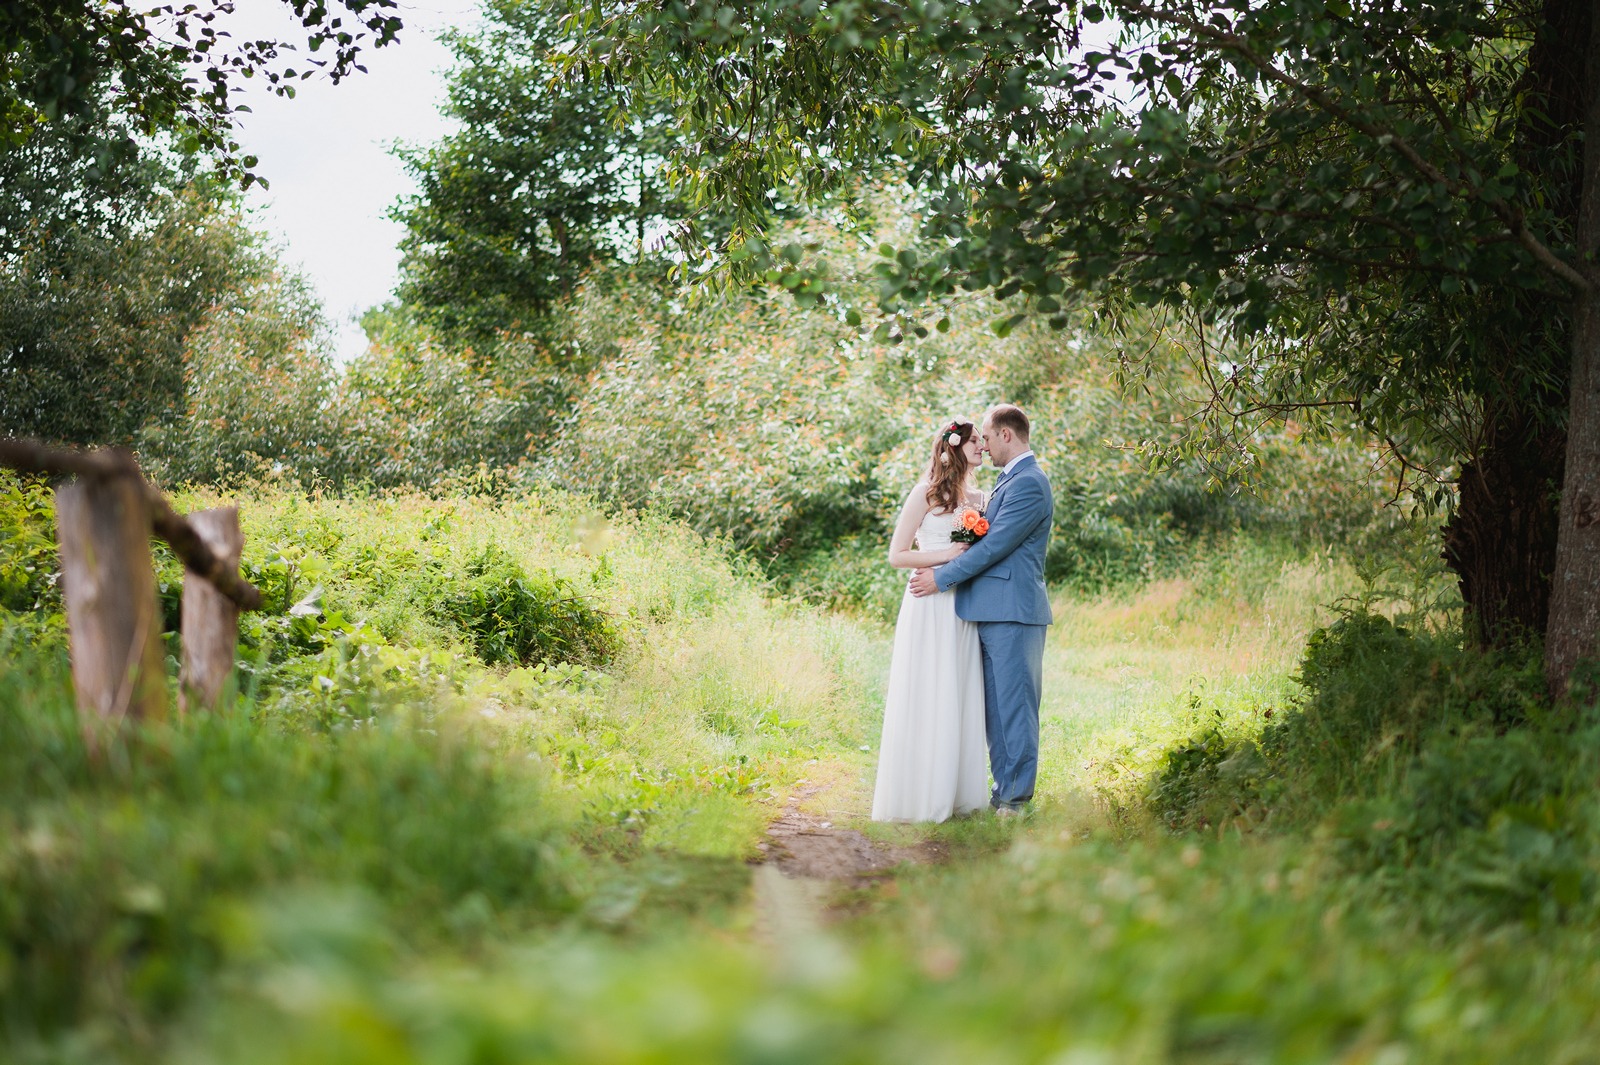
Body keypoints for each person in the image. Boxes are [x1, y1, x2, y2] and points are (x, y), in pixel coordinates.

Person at [910, 404, 1053, 817]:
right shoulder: (1006, 483)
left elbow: (994, 547)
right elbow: (970, 539)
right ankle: (1002, 793)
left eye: (987, 438)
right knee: (996, 712)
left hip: (1014, 612)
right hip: (988, 611)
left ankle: (1016, 801)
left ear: (1006, 436)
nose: (984, 447)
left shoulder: (1029, 483)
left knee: (1016, 709)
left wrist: (942, 578)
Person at [870, 418, 991, 822]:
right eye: (975, 440)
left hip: (963, 605)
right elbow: (897, 555)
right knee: (927, 686)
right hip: (926, 601)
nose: (982, 446)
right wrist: (947, 558)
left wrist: (960, 564)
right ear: (954, 446)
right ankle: (919, 794)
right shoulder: (924, 493)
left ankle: (957, 794)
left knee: (958, 687)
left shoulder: (982, 497)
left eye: (983, 440)